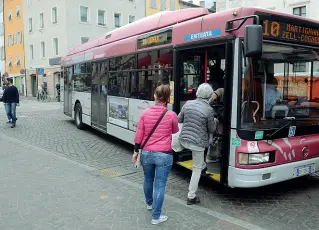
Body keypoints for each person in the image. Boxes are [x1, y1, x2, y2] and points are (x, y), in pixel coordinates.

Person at [132, 84, 179, 225]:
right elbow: (175, 131)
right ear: (167, 98)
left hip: (146, 153)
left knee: (147, 178)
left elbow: (138, 135)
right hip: (164, 154)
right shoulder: (171, 115)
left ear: (155, 96)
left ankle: (149, 204)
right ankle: (156, 217)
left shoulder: (145, 113)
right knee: (159, 185)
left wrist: (135, 152)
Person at [178, 83, 216, 205]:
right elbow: (212, 129)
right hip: (198, 143)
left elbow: (179, 120)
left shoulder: (188, 104)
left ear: (197, 93)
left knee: (199, 163)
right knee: (196, 168)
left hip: (184, 139)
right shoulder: (209, 110)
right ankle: (191, 196)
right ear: (210, 95)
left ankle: (203, 166)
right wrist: (215, 121)